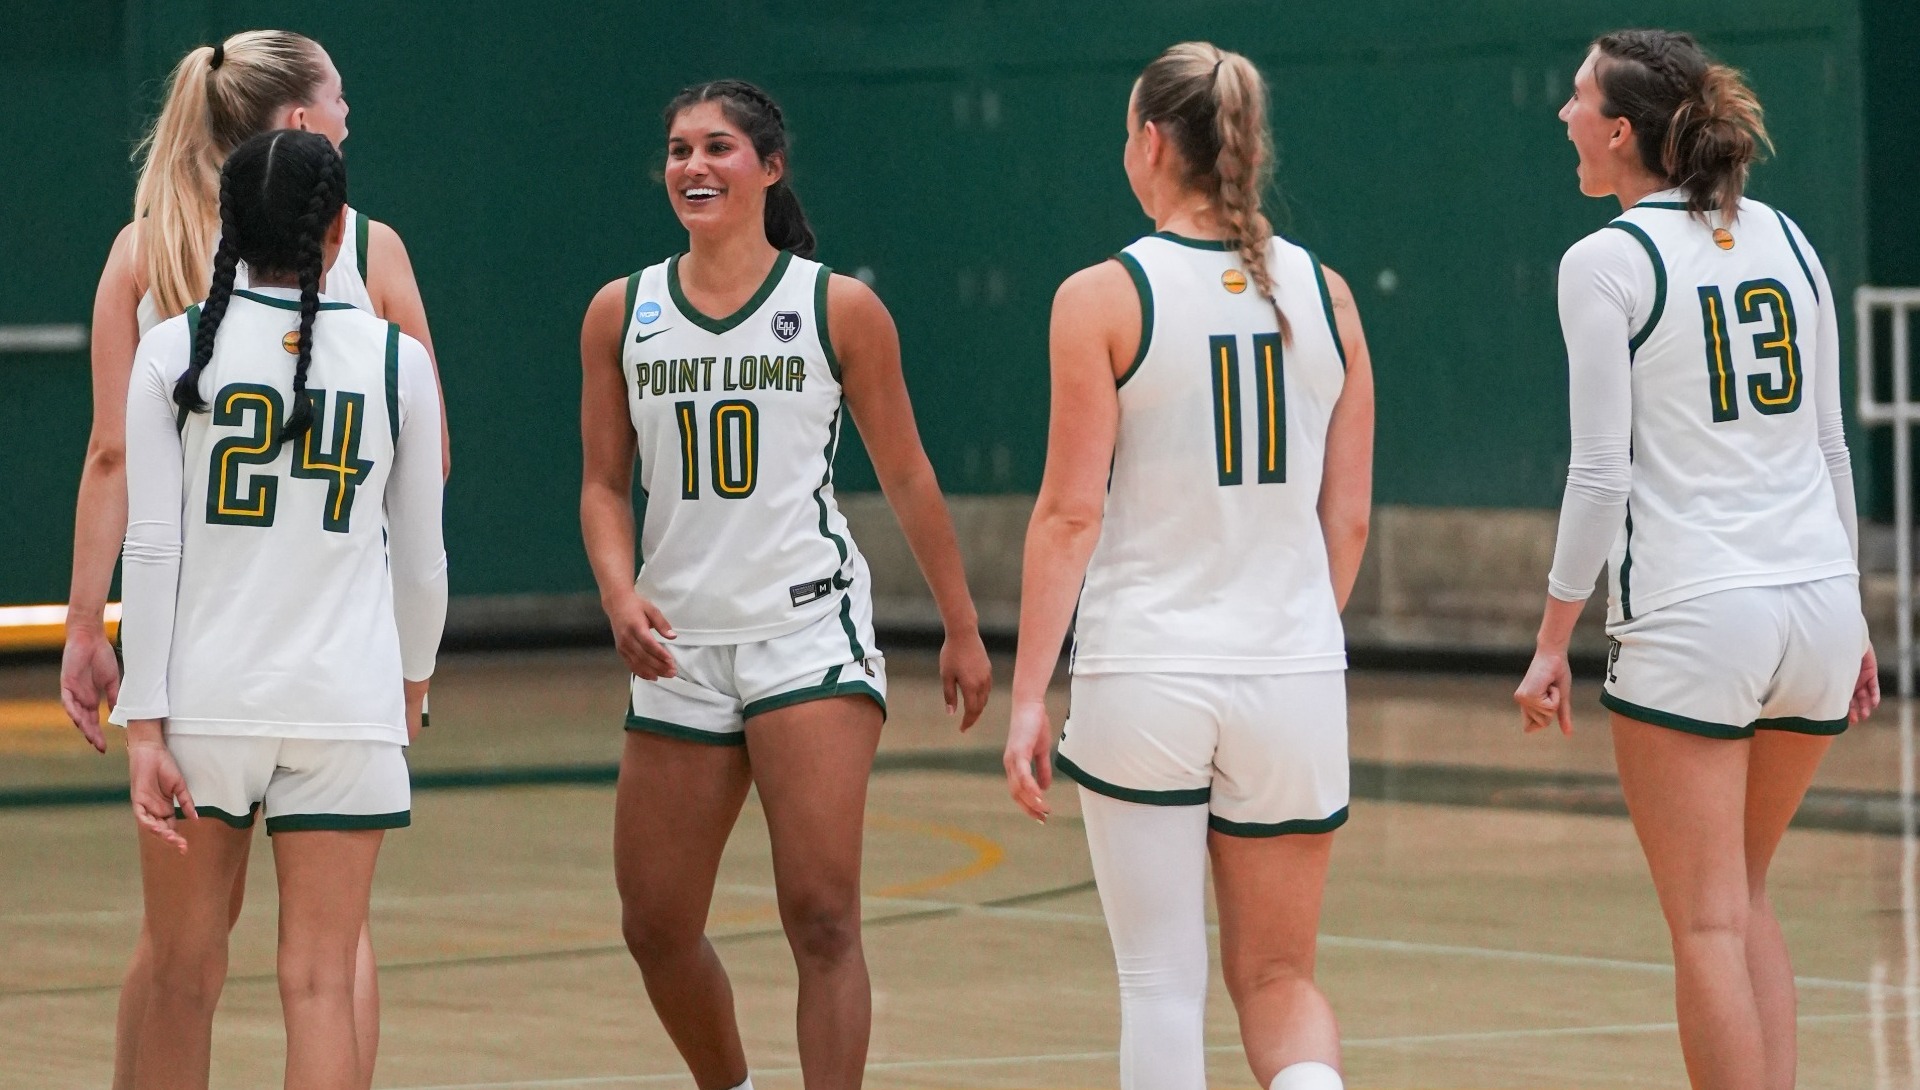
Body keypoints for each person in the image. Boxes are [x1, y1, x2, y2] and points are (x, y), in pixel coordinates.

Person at [578, 79, 992, 1088]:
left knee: (820, 913)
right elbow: (601, 482)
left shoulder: (836, 307)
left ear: (769, 167)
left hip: (806, 631)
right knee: (656, 923)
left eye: (718, 146)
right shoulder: (621, 312)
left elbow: (908, 474)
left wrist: (963, 624)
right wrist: (619, 593)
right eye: (678, 149)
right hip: (680, 641)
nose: (693, 166)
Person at [62, 32, 445, 1088]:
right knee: (327, 968)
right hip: (341, 671)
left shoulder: (152, 280)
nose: (350, 110)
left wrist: (94, 633)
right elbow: (428, 496)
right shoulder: (378, 276)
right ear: (300, 131)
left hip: (202, 676)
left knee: (180, 959)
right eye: (338, 96)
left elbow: (121, 479)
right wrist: (414, 671)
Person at [1002, 42, 1375, 1090]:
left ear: (1153, 142)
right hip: (1292, 671)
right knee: (1280, 978)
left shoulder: (1101, 295)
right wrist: (1291, 630)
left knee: (1162, 981)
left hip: (1146, 669)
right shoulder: (1331, 295)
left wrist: (1029, 694)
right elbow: (1345, 520)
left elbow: (1069, 514)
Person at [1515, 29, 1879, 1090]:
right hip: (1815, 603)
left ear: (1621, 132)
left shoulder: (1606, 261)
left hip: (1695, 614)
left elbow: (1599, 476)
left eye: (1577, 99)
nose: (1564, 116)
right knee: (1746, 895)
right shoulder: (1791, 239)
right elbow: (1829, 446)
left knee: (1708, 922)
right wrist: (1851, 613)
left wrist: (1551, 640)